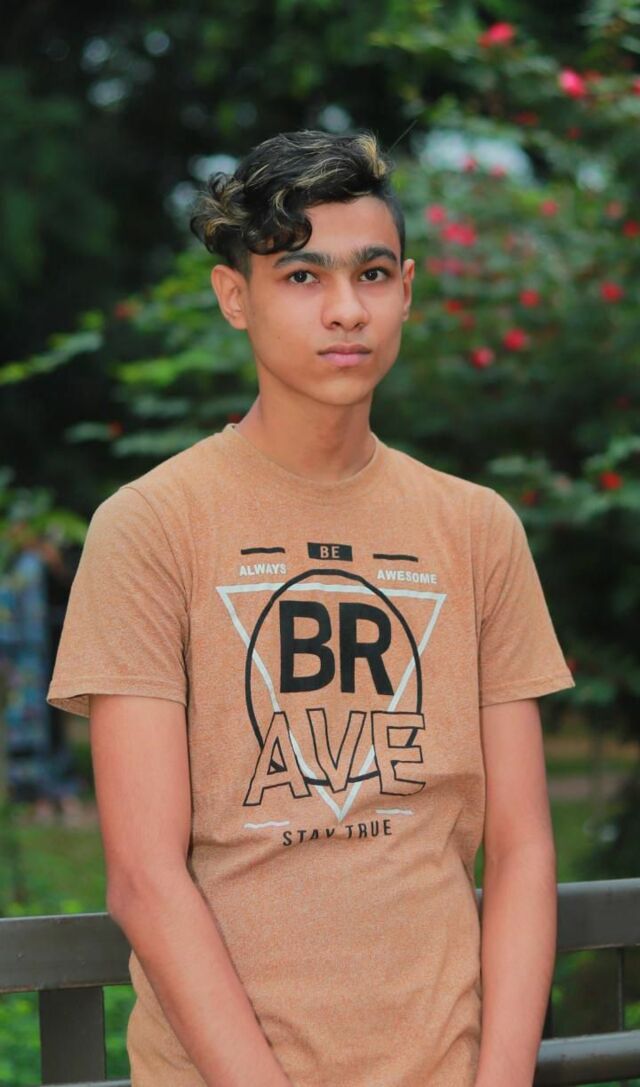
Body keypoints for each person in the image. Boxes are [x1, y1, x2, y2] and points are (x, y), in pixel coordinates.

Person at [47, 128, 576, 1087]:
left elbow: (524, 847)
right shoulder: (152, 525)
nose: (345, 309)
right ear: (234, 297)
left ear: (407, 290)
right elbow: (144, 875)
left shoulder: (476, 529)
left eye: (372, 274)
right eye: (301, 276)